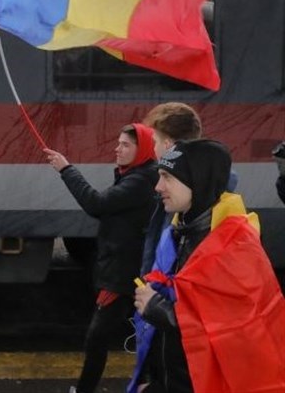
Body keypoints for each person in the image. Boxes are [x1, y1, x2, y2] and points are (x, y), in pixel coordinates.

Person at [130, 139, 285, 392]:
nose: (158, 186)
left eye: (167, 177)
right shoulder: (178, 231)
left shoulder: (236, 246)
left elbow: (235, 330)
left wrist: (157, 308)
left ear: (198, 181)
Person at [44, 123, 158, 393]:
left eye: (125, 145)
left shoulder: (140, 180)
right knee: (146, 332)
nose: (117, 149)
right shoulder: (135, 174)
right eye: (118, 143)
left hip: (123, 272)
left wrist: (66, 169)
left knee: (98, 336)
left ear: (141, 149)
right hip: (124, 268)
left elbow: (96, 204)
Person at [139, 103, 203, 276]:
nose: (158, 187)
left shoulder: (180, 200)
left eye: (155, 142)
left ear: (167, 146)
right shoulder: (207, 187)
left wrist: (154, 296)